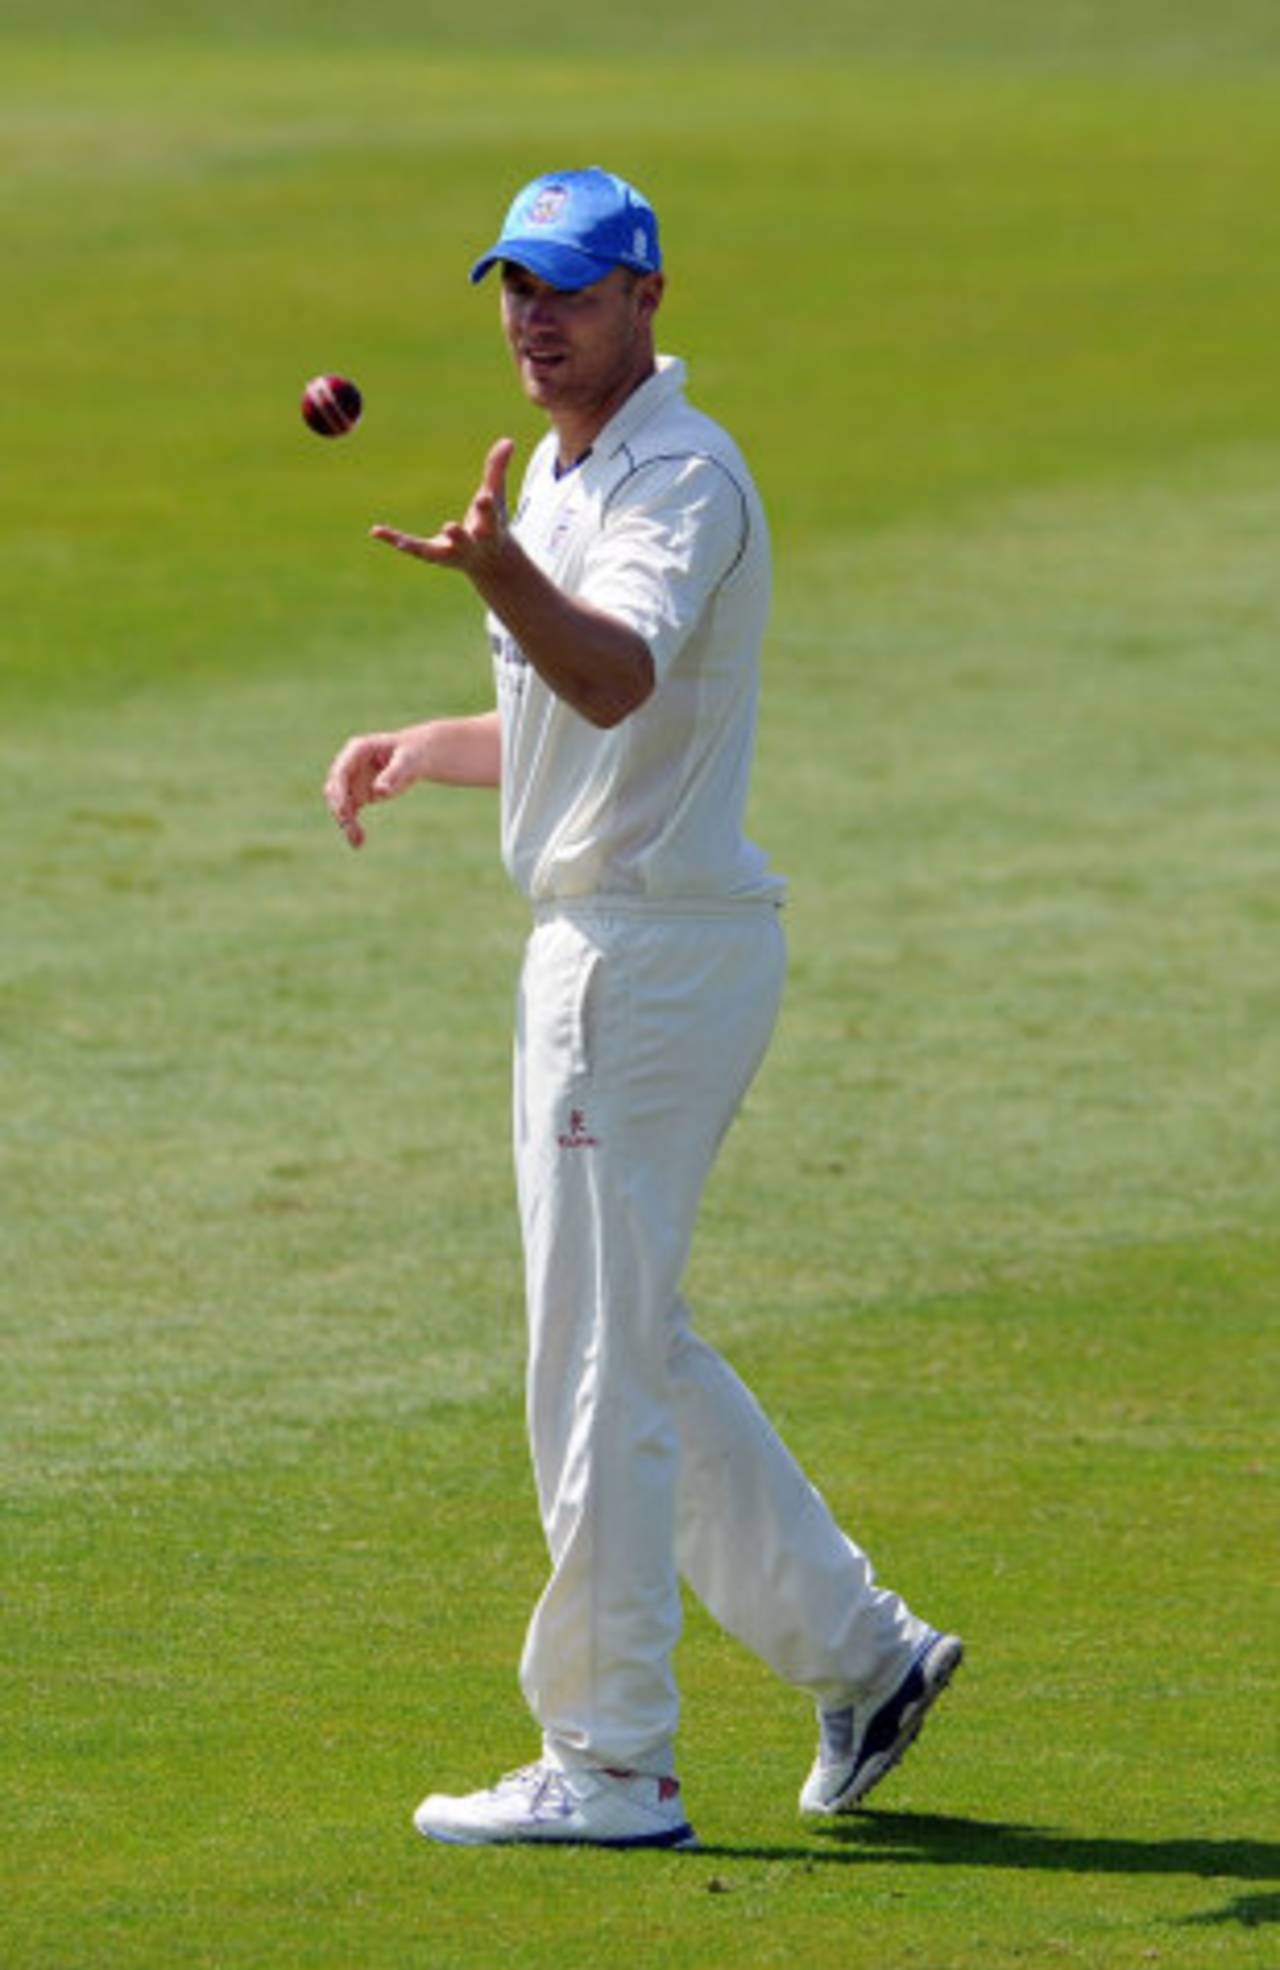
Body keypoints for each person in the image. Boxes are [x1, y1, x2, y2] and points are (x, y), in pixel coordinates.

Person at [324, 167, 961, 1852]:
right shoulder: (558, 465)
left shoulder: (683, 475)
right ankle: (865, 1653)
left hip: (651, 959)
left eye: (571, 289)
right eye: (514, 288)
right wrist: (423, 743)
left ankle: (611, 1758)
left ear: (648, 298)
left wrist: (492, 580)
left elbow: (615, 670)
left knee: (595, 1364)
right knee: (636, 1340)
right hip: (605, 940)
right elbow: (561, 721)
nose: (534, 317)